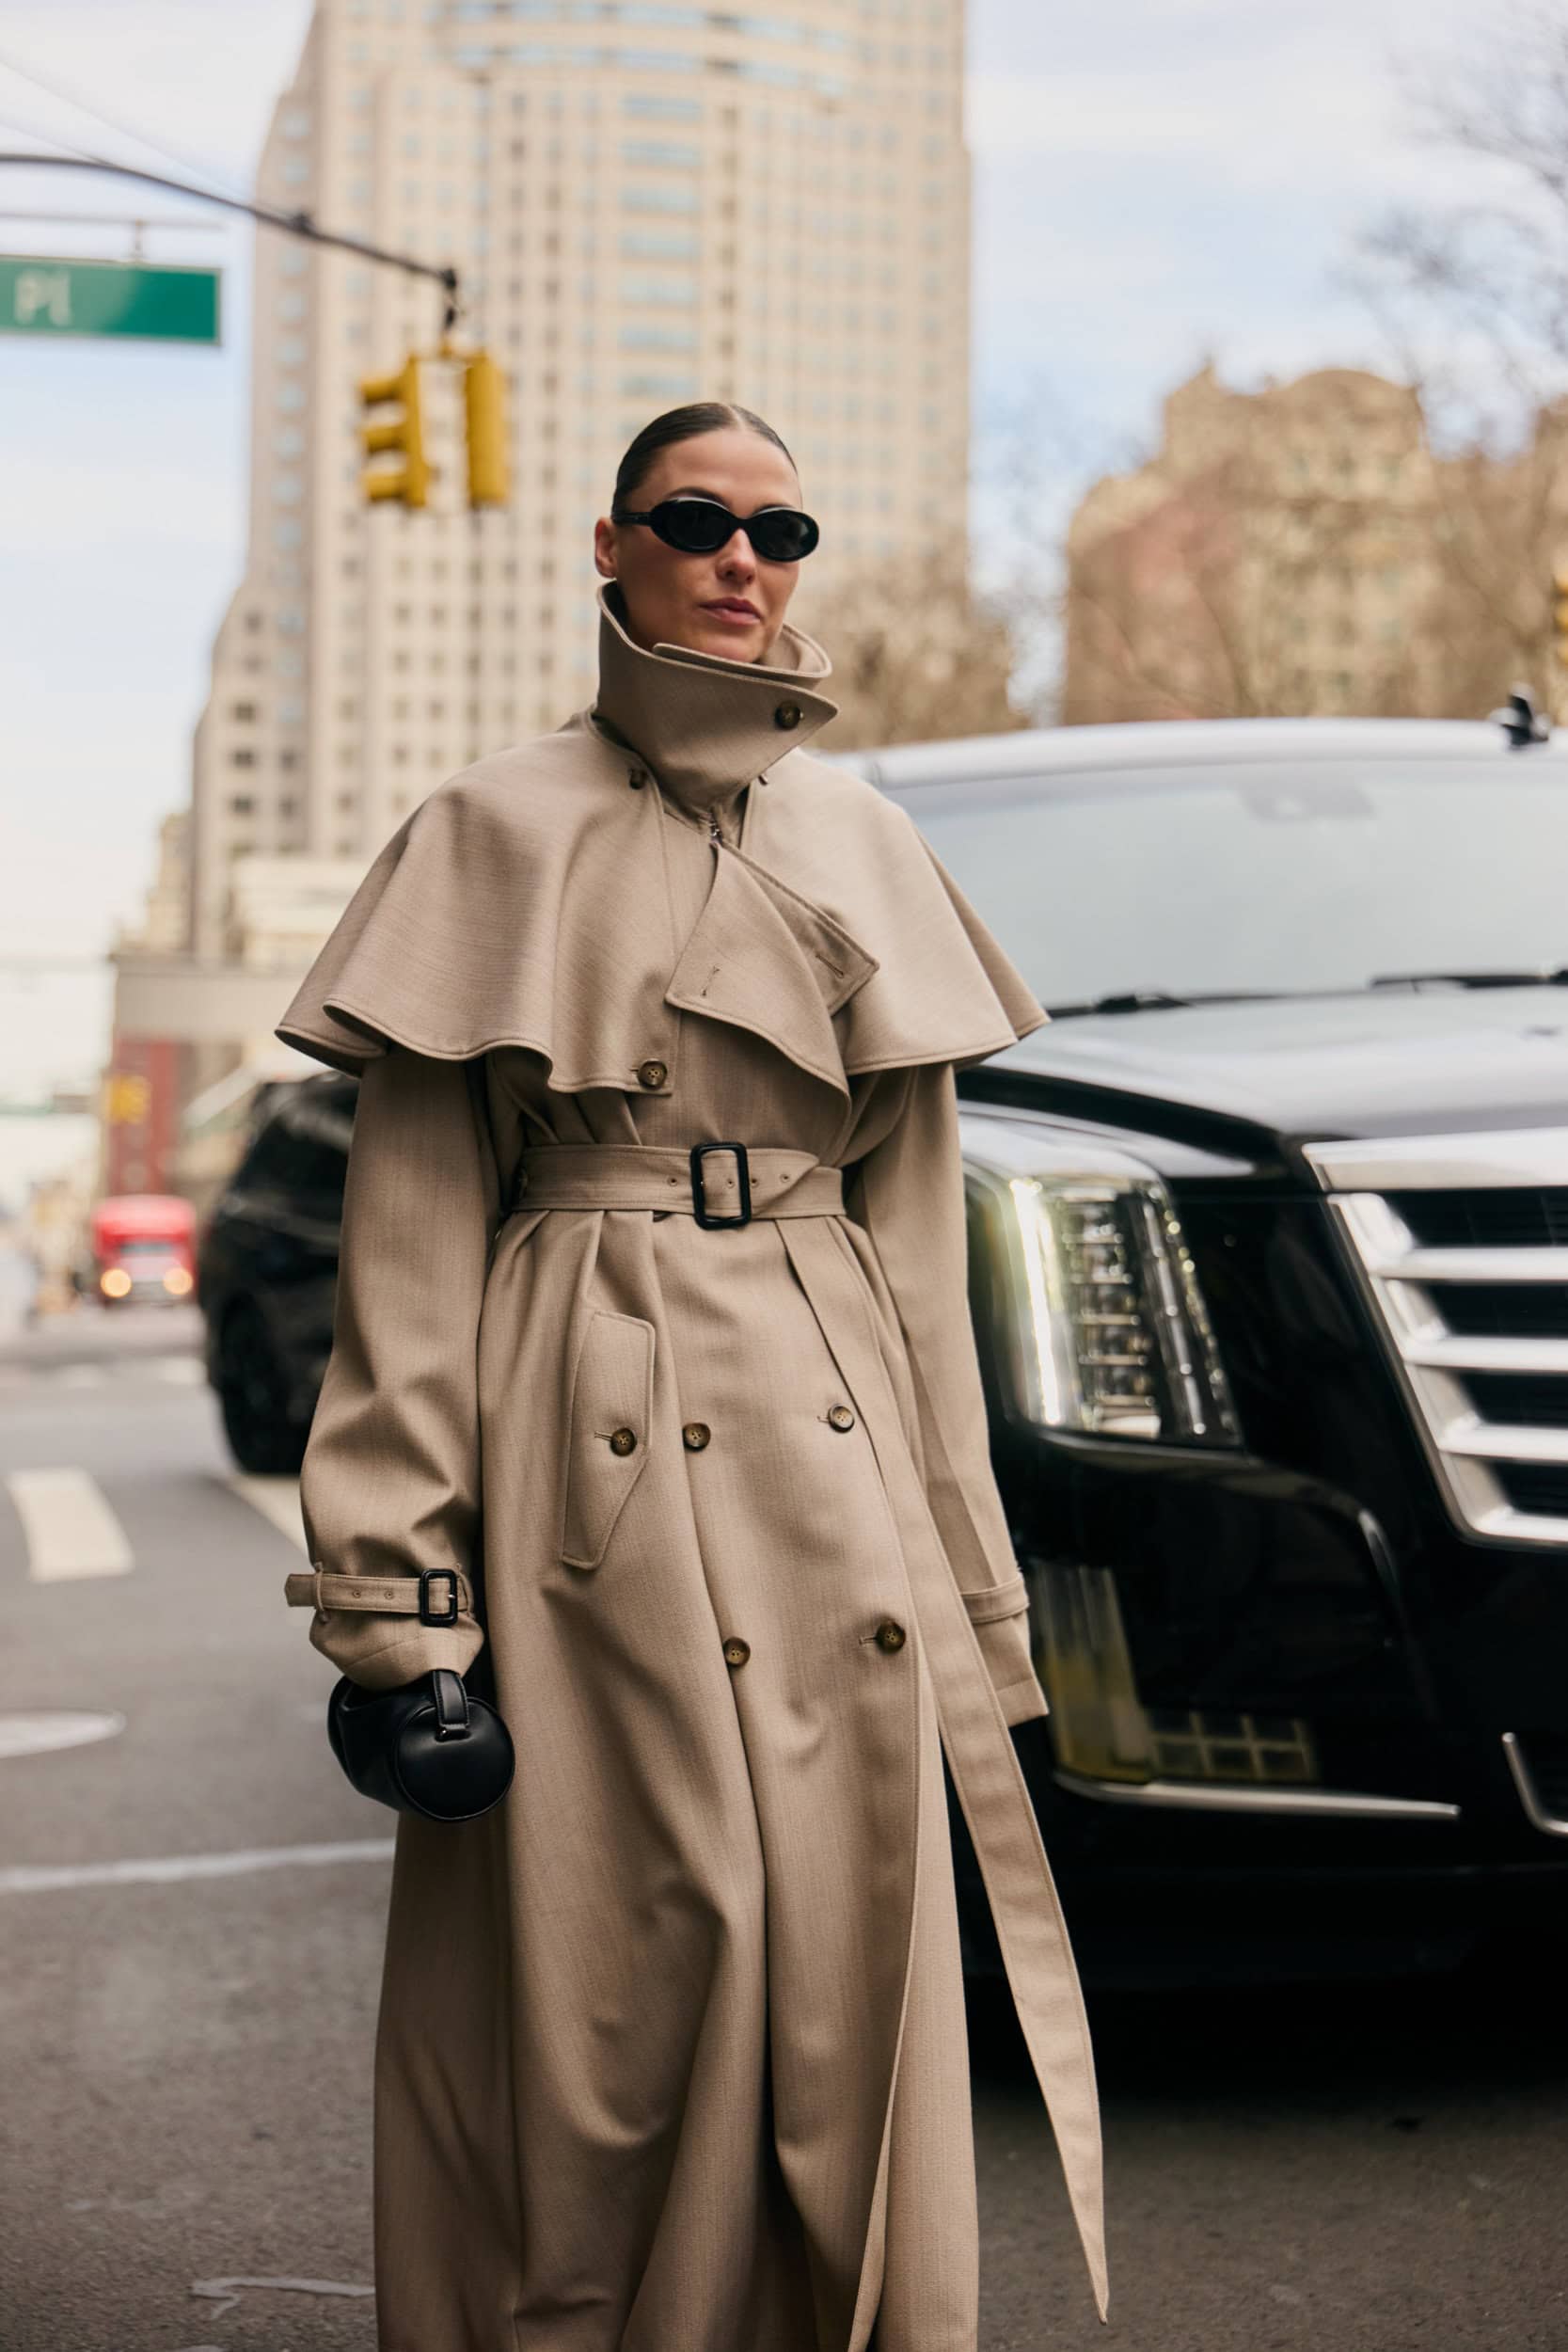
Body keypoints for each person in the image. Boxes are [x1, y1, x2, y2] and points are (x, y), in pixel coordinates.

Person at [277, 401, 1106, 2352]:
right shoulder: (492, 827)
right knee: (621, 1978)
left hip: (835, 1436)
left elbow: (917, 1252)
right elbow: (407, 1249)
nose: (743, 556)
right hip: (590, 1428)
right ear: (611, 544)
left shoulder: (867, 838)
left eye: (780, 526)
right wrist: (400, 1610)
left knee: (843, 1951)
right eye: (697, 518)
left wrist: (979, 1594)